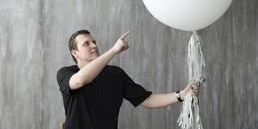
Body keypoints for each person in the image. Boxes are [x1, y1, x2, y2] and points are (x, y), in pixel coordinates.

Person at [57, 29, 200, 129]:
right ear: (75, 53)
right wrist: (113, 51)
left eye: (94, 41)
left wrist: (181, 95)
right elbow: (80, 81)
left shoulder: (115, 74)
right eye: (86, 44)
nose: (94, 45)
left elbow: (147, 100)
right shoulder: (66, 73)